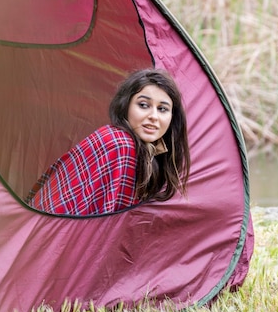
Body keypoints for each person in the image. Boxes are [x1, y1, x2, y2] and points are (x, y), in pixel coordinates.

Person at [25, 68, 191, 215]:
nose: (153, 116)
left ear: (172, 117)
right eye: (143, 105)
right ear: (125, 106)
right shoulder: (120, 144)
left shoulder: (144, 148)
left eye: (162, 109)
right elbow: (110, 224)